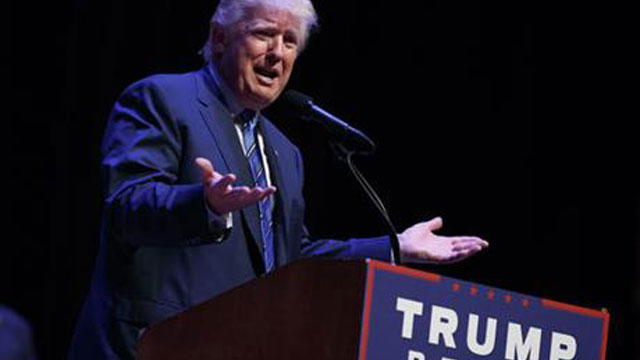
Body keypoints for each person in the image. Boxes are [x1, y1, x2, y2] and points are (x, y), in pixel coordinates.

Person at [68, 0, 489, 358]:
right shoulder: (161, 99)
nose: (277, 53)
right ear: (219, 38)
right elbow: (127, 204)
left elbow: (293, 259)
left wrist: (395, 247)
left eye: (290, 42)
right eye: (264, 34)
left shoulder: (285, 153)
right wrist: (205, 205)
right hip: (153, 344)